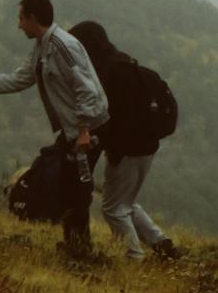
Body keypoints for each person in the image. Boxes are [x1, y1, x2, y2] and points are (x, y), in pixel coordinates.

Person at [0, 0, 108, 259]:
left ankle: (81, 250)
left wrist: (83, 131)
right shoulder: (41, 47)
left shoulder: (62, 46)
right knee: (69, 186)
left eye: (21, 19)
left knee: (76, 189)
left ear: (33, 18)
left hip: (88, 129)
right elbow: (20, 78)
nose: (19, 25)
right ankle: (76, 245)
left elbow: (87, 89)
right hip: (74, 130)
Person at [65, 21, 179, 262]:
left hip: (127, 149)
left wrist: (113, 147)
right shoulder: (126, 63)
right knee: (125, 201)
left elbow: (118, 116)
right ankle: (161, 242)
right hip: (148, 146)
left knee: (113, 209)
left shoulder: (108, 73)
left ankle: (132, 256)